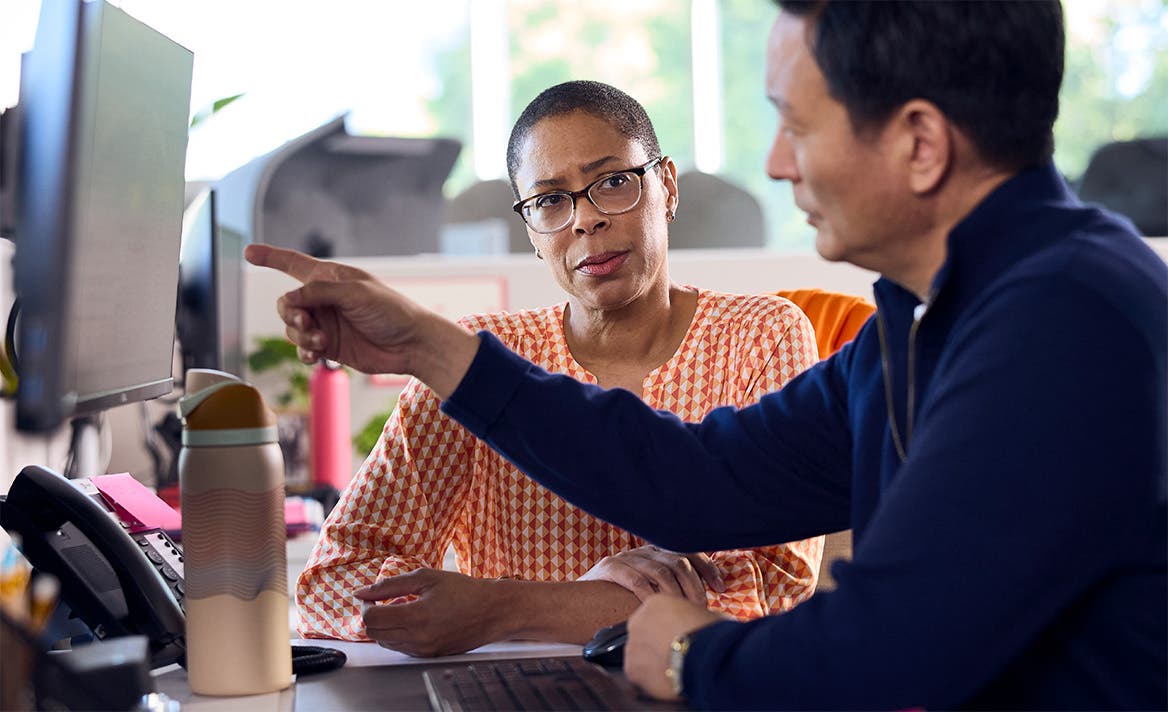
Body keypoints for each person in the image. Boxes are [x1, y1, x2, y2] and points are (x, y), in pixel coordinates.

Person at [247, 2, 1168, 709]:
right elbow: (698, 478)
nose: (775, 164)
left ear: (921, 143)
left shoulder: (1063, 313)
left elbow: (899, 639)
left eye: (797, 125)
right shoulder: (926, 322)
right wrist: (433, 347)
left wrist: (687, 651)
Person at [293, 80, 825, 655]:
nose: (586, 220)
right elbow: (332, 580)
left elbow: (772, 588)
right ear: (530, 229)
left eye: (614, 182)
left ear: (666, 186)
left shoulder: (760, 336)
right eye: (550, 200)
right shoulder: (475, 357)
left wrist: (504, 609)